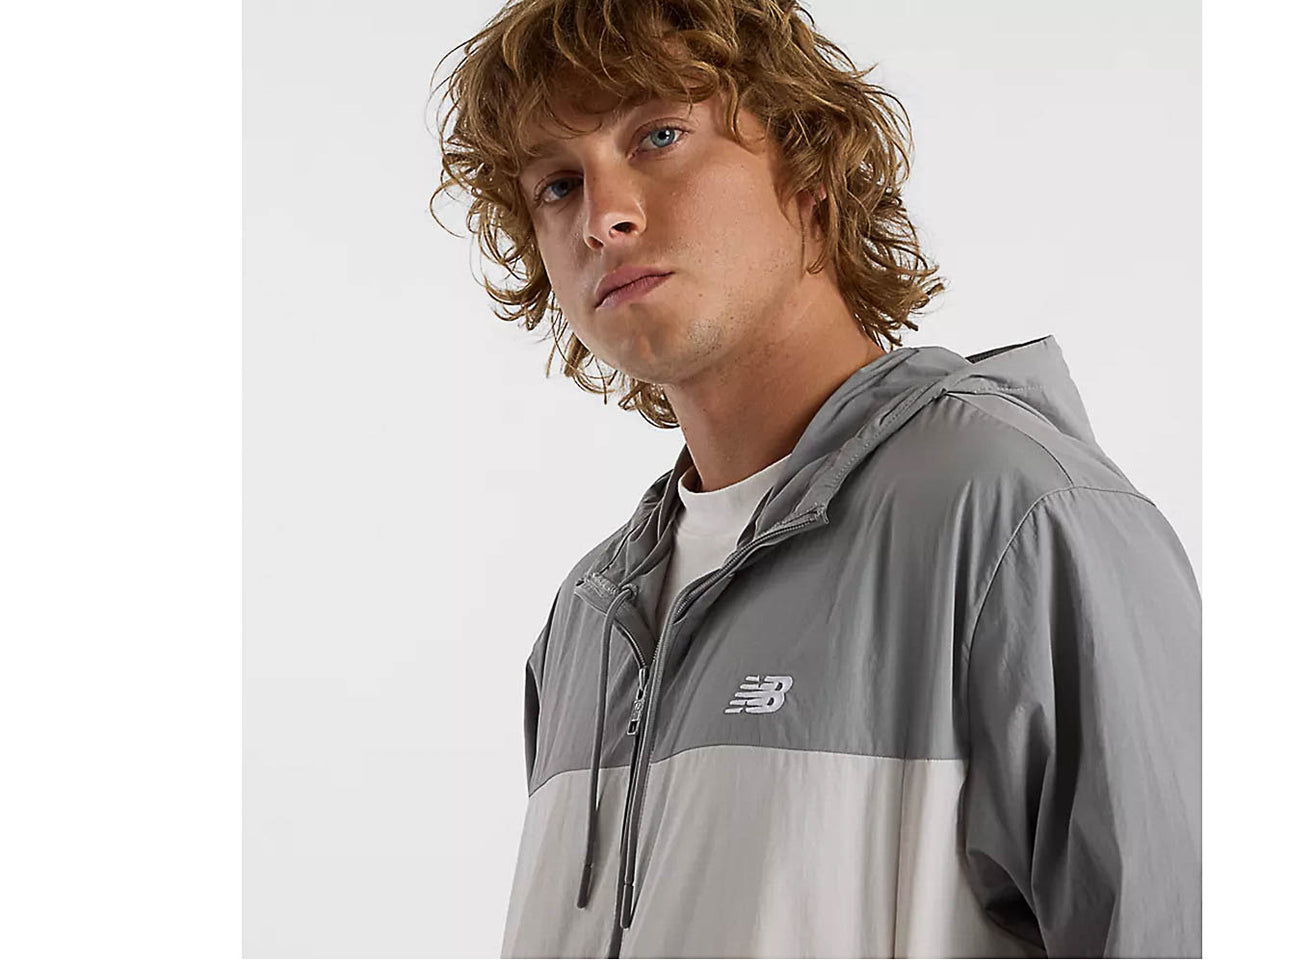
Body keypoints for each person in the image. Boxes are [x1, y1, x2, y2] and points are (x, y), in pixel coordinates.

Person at [431, 1, 1201, 956]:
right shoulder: (587, 622)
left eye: (659, 136)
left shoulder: (1014, 519)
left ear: (807, 169)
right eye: (557, 184)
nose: (602, 217)